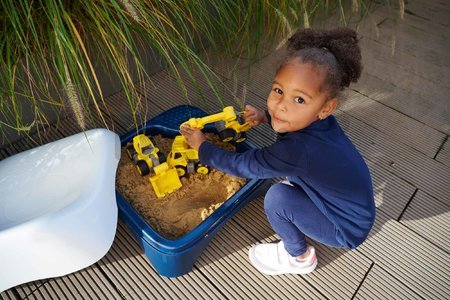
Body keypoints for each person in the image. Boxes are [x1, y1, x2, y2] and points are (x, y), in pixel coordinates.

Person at [180, 28, 375, 276]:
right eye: (278, 91)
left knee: (277, 198)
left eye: (300, 100)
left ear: (327, 108)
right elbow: (286, 119)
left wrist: (202, 147)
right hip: (354, 206)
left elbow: (243, 165)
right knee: (290, 182)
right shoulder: (319, 124)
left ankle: (299, 257)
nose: (281, 106)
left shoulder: (295, 152)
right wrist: (264, 116)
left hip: (345, 228)